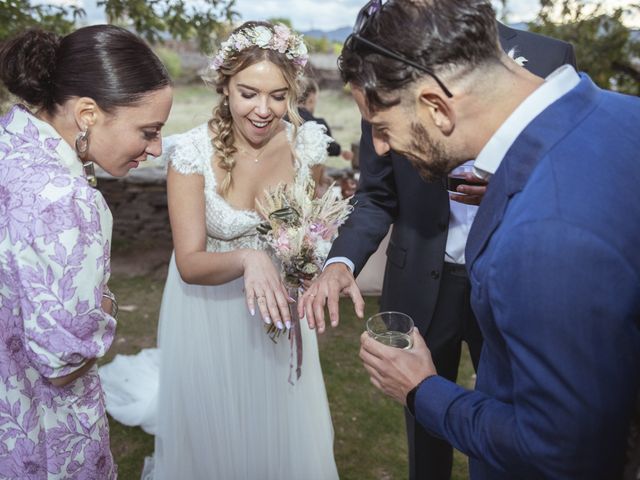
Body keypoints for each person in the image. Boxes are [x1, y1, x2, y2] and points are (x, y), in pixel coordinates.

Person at [336, 0, 639, 478]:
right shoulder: (626, 115)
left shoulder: (542, 236)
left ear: (436, 108)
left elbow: (561, 451)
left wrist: (422, 389)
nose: (379, 148)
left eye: (381, 128)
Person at [299, 5, 576, 480]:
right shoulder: (386, 66)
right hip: (423, 285)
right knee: (423, 416)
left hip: (509, 280)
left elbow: (568, 169)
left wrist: (512, 183)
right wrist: (340, 260)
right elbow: (376, 194)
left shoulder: (548, 58)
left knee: (510, 416)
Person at [99, 22, 339, 479]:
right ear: (224, 86)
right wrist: (251, 257)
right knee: (217, 425)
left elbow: (305, 226)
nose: (264, 110)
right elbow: (189, 262)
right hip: (209, 309)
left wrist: (306, 259)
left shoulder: (307, 146)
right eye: (249, 93)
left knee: (277, 416)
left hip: (276, 310)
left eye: (278, 95)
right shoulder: (190, 153)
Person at [0, 25, 172, 479]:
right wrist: (107, 306)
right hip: (45, 433)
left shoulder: (7, 145)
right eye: (148, 131)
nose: (155, 149)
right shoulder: (68, 199)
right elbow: (62, 365)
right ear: (88, 113)